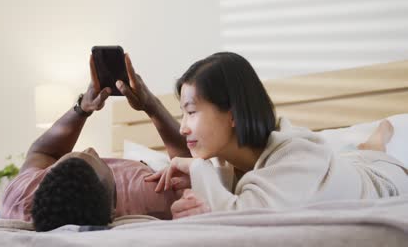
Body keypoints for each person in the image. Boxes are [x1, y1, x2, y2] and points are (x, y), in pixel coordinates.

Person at [144, 52, 408, 219]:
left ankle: (378, 137)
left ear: (233, 114)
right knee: (353, 153)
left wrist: (199, 168)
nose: (183, 128)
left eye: (191, 112)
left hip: (383, 177)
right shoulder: (226, 162)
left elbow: (245, 215)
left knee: (372, 150)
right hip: (343, 167)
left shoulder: (298, 154)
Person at [0, 54, 190, 231]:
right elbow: (187, 165)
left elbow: (42, 153)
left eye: (69, 158)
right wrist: (151, 105)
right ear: (111, 210)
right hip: (153, 166)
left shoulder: (20, 197)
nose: (91, 149)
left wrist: (83, 108)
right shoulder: (149, 196)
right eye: (98, 160)